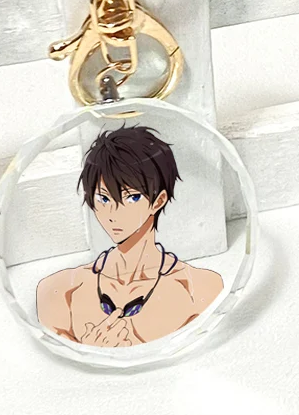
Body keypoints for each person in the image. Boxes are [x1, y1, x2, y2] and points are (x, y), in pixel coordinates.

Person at [36, 126, 223, 347]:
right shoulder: (61, 291)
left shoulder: (198, 289)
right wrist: (96, 352)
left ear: (159, 200)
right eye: (103, 199)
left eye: (131, 198)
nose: (114, 213)